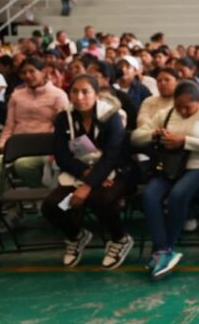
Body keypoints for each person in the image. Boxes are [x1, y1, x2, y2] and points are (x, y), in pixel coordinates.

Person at [42, 75, 134, 268]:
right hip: (80, 174)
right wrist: (86, 174)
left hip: (115, 174)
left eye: (85, 92)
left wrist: (88, 185)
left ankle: (119, 239)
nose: (79, 97)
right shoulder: (64, 118)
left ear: (97, 95)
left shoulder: (112, 117)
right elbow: (61, 155)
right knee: (54, 206)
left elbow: (112, 156)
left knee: (100, 199)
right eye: (74, 92)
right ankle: (77, 235)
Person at [133, 80, 199, 279]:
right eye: (178, 106)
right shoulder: (167, 113)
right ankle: (161, 249)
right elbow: (136, 137)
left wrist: (184, 141)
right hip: (172, 168)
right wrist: (154, 134)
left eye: (187, 107)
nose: (182, 111)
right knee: (149, 195)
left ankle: (167, 248)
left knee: (178, 194)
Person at [0, 57, 69, 194]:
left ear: (43, 71)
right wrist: (3, 144)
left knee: (23, 165)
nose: (27, 76)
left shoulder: (58, 95)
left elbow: (62, 127)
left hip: (44, 148)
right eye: (23, 73)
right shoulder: (16, 96)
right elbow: (9, 125)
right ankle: (9, 201)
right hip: (17, 146)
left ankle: (41, 195)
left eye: (32, 71)